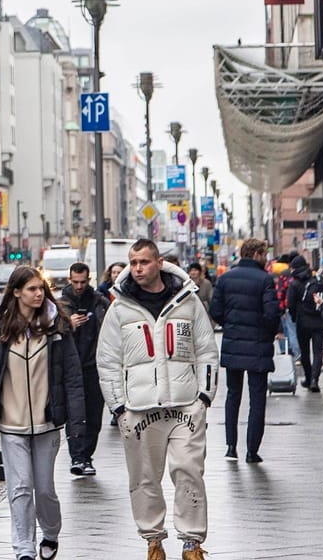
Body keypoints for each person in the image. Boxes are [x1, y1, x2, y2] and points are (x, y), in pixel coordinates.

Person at [96, 239, 218, 560]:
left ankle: (192, 543)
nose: (137, 269)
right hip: (138, 409)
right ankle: (153, 540)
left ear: (159, 263)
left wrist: (204, 396)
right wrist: (118, 406)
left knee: (189, 471)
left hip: (185, 405)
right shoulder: (119, 308)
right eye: (133, 263)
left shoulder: (188, 302)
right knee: (144, 477)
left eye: (144, 262)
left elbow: (207, 351)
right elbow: (107, 360)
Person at [0, 265, 84, 560]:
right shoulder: (0, 330)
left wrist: (76, 423)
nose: (38, 294)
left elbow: (72, 377)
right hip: (11, 424)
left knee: (44, 489)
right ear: (16, 292)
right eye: (32, 289)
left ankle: (50, 532)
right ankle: (23, 549)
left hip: (47, 424)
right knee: (20, 488)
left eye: (41, 289)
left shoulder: (57, 327)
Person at [207, 238, 282, 462]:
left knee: (233, 395)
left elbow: (215, 310)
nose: (267, 258)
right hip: (258, 344)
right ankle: (252, 450)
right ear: (257, 254)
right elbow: (271, 314)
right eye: (264, 254)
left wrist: (230, 325)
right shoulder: (265, 280)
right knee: (257, 397)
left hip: (233, 342)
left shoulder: (226, 278)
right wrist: (268, 333)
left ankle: (231, 446)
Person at [59, 262, 107, 473]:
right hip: (71, 368)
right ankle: (77, 457)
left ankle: (87, 456)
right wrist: (68, 324)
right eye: (75, 282)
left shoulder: (99, 301)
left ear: (89, 280)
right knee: (76, 414)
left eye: (82, 282)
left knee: (94, 414)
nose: (78, 286)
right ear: (70, 280)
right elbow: (49, 331)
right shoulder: (60, 304)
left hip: (94, 366)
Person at [286, 254, 323, 392]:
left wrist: (294, 318)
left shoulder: (294, 284)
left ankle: (308, 376)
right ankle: (315, 380)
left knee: (304, 352)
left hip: (303, 322)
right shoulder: (318, 280)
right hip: (319, 321)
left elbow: (291, 305)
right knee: (318, 351)